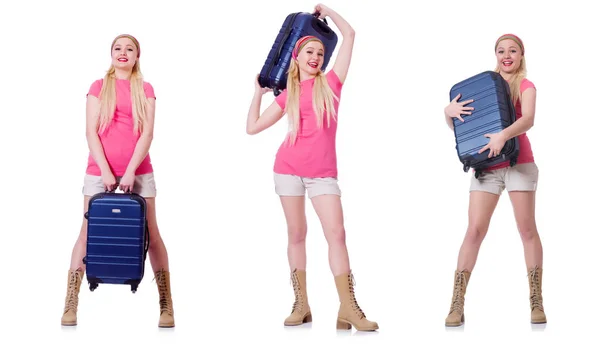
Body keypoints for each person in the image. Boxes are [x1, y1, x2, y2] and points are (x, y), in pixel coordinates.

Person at [246, 4, 378, 332]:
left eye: (320, 51)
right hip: (287, 168)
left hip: (323, 174)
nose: (316, 56)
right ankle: (301, 304)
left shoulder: (332, 83)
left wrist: (328, 11)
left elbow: (350, 35)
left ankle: (348, 307)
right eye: (309, 51)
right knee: (297, 234)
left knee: (337, 234)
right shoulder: (288, 92)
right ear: (296, 55)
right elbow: (252, 128)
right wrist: (257, 94)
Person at [60, 34, 175, 328]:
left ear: (137, 56)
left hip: (139, 171)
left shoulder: (145, 89)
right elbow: (90, 132)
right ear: (111, 54)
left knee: (152, 235)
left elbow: (147, 134)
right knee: (86, 234)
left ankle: (166, 304)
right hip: (99, 172)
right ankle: (71, 303)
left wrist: (130, 171)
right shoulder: (99, 87)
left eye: (130, 49)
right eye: (117, 48)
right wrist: (107, 170)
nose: (123, 53)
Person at [443, 34, 546, 326]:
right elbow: (467, 123)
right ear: (496, 55)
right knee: (474, 230)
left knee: (526, 230)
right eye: (501, 51)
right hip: (486, 166)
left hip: (519, 163)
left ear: (521, 55)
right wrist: (447, 113)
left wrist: (503, 135)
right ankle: (456, 303)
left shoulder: (526, 85)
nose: (507, 55)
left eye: (513, 50)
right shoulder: (485, 86)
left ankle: (536, 300)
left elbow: (528, 119)